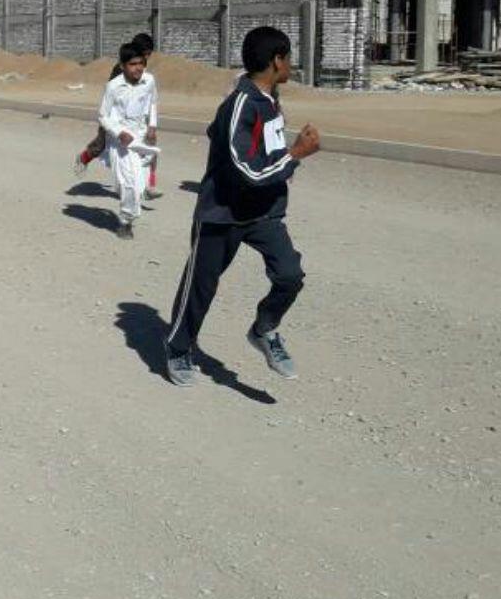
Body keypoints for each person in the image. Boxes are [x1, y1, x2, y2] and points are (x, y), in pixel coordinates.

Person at [163, 26, 320, 388]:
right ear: (277, 61)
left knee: (289, 275)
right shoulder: (242, 103)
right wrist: (296, 154)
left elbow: (251, 146)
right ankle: (177, 347)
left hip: (263, 211)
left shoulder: (269, 98)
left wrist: (285, 153)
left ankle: (265, 329)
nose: (291, 64)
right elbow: (245, 168)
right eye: (289, 57)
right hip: (222, 213)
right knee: (201, 285)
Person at [74, 33, 161, 199]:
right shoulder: (120, 70)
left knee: (149, 147)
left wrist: (152, 124)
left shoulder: (145, 73)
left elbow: (150, 99)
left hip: (139, 121)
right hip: (115, 119)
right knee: (100, 146)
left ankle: (150, 184)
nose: (148, 57)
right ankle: (84, 158)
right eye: (147, 53)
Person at [97, 42, 159, 239]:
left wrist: (152, 126)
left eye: (141, 63)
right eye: (132, 64)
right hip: (121, 139)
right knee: (128, 182)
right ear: (122, 66)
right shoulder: (113, 86)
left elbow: (153, 102)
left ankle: (130, 209)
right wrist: (118, 132)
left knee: (139, 185)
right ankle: (126, 221)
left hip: (141, 136)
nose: (138, 68)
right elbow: (103, 116)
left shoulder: (149, 80)